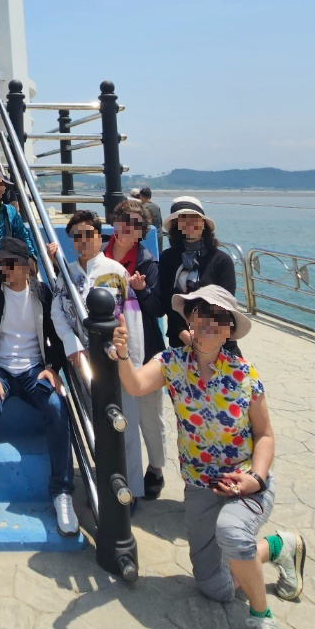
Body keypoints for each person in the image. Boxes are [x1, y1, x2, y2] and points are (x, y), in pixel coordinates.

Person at [111, 285, 307, 629]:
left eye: (219, 317)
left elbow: (265, 436)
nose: (209, 323)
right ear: (189, 319)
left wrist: (255, 478)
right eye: (201, 313)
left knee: (231, 532)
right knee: (215, 587)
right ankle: (280, 547)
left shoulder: (244, 375)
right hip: (200, 488)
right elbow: (134, 385)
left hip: (245, 483)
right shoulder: (172, 363)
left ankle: (262, 621)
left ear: (230, 329)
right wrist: (122, 354)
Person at [0, 237, 77, 535]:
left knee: (57, 407)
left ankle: (62, 492)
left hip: (33, 371)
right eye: (2, 263)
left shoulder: (42, 292)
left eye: (11, 263)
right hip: (0, 369)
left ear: (27, 266)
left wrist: (53, 368)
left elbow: (57, 333)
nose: (5, 269)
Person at [51, 210, 145, 503]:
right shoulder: (66, 273)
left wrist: (132, 361)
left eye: (88, 234)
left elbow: (131, 319)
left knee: (126, 425)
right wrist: (73, 347)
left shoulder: (116, 272)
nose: (82, 241)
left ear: (98, 236)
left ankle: (131, 490)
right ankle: (107, 485)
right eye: (76, 236)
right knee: (97, 423)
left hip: (116, 358)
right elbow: (58, 313)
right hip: (83, 360)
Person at [104, 198, 170, 502]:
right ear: (115, 222)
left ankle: (156, 468)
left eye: (136, 225)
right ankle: (121, 467)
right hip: (109, 346)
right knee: (117, 410)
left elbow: (158, 308)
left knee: (149, 413)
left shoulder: (147, 263)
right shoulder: (99, 254)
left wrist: (142, 290)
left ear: (143, 231)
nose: (129, 228)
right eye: (124, 221)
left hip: (145, 348)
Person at [159, 197, 237, 347]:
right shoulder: (167, 258)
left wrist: (203, 335)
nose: (189, 224)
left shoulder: (221, 260)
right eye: (183, 220)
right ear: (176, 225)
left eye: (194, 219)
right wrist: (182, 332)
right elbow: (167, 299)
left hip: (216, 337)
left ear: (203, 223)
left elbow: (225, 302)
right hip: (180, 338)